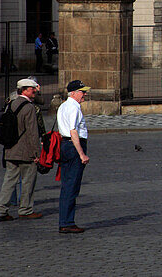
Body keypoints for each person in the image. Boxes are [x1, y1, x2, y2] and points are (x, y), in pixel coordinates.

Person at [0, 78, 43, 221]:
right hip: (25, 151)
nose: (35, 91)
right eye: (32, 89)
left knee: (9, 181)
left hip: (10, 149)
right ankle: (26, 209)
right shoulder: (28, 107)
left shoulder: (11, 104)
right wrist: (36, 153)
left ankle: (1, 210)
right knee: (28, 181)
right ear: (25, 90)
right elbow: (33, 133)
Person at [57, 80, 91, 233]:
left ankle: (66, 220)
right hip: (73, 146)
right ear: (73, 93)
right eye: (82, 91)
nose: (84, 94)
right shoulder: (73, 108)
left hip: (66, 145)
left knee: (67, 185)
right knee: (72, 186)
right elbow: (73, 131)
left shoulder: (63, 106)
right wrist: (81, 153)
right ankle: (67, 222)